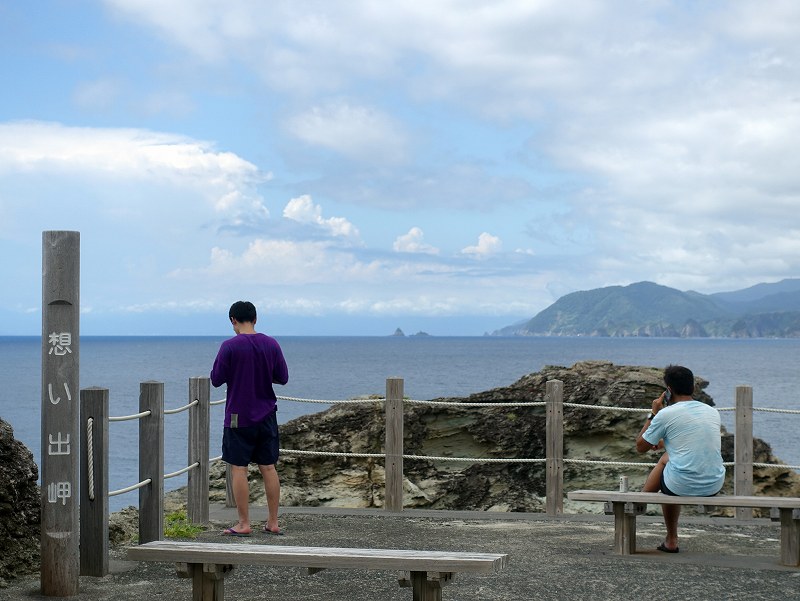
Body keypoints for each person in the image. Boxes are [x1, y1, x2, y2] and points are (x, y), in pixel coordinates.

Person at [211, 301, 289, 536]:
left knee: (239, 468)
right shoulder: (271, 344)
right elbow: (282, 377)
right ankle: (273, 522)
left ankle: (244, 523)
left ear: (233, 320)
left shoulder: (229, 347)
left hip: (238, 415)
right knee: (268, 467)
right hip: (267, 414)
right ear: (255, 319)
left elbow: (216, 378)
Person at [635, 364, 725, 553]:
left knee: (666, 462)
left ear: (668, 390)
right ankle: (641, 500)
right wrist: (663, 443)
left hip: (680, 485)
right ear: (692, 387)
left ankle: (645, 506)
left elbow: (640, 447)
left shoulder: (665, 414)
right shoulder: (711, 412)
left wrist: (653, 414)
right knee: (671, 458)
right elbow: (690, 442)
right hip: (714, 485)